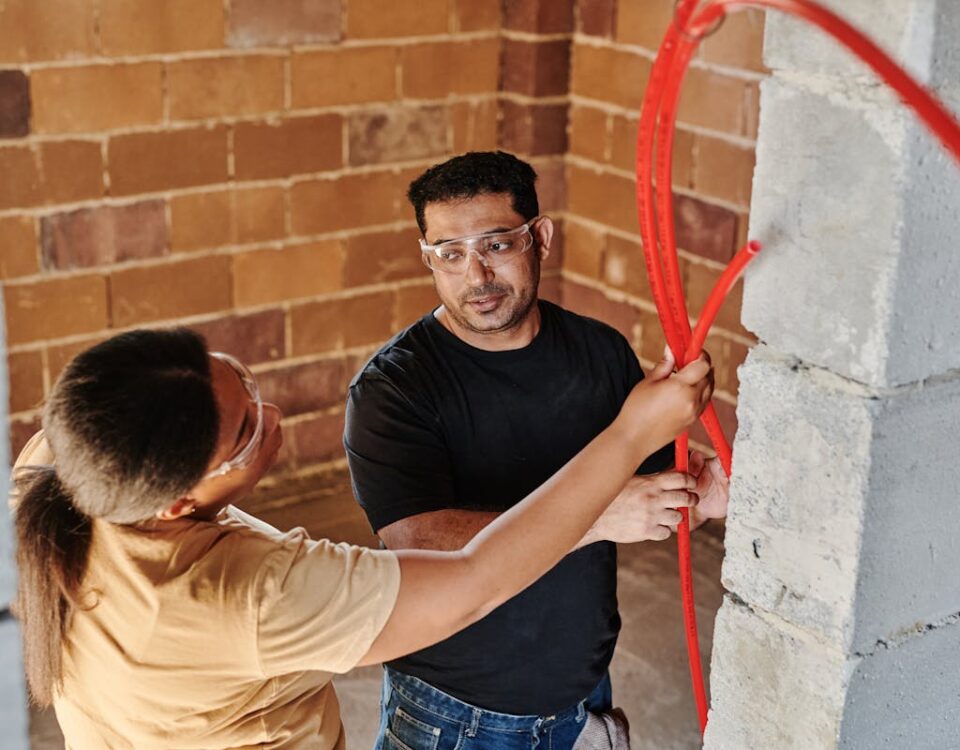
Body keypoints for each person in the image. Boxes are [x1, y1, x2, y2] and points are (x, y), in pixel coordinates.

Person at [11, 326, 713, 749]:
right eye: (246, 429)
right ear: (175, 503)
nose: (273, 410)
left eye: (242, 378)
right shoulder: (252, 598)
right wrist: (628, 438)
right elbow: (473, 582)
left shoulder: (58, 464)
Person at [344, 151, 730, 750]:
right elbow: (419, 544)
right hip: (456, 714)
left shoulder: (600, 353)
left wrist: (703, 495)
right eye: (449, 253)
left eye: (496, 245)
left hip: (581, 694)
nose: (476, 276)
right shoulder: (393, 388)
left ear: (540, 237)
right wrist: (601, 515)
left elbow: (650, 500)